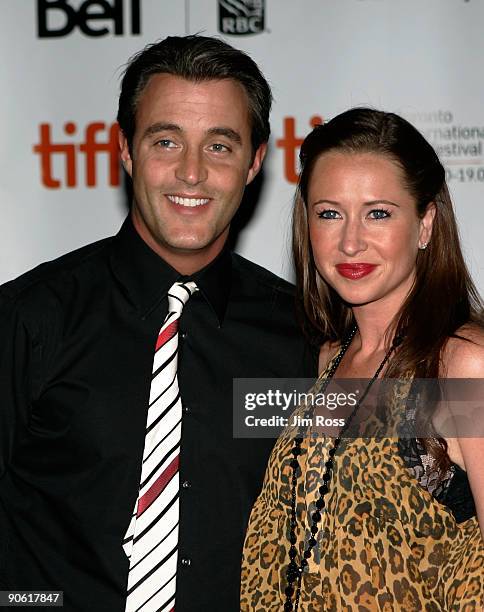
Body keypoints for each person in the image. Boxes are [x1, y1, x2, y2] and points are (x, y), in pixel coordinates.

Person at [0, 35, 316, 611]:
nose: (190, 173)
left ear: (255, 161)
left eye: (219, 146)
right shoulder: (26, 319)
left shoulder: (304, 335)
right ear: (124, 150)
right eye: (166, 140)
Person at [241, 108, 484, 611]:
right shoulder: (325, 359)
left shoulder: (462, 365)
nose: (351, 241)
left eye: (378, 213)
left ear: (425, 223)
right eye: (329, 213)